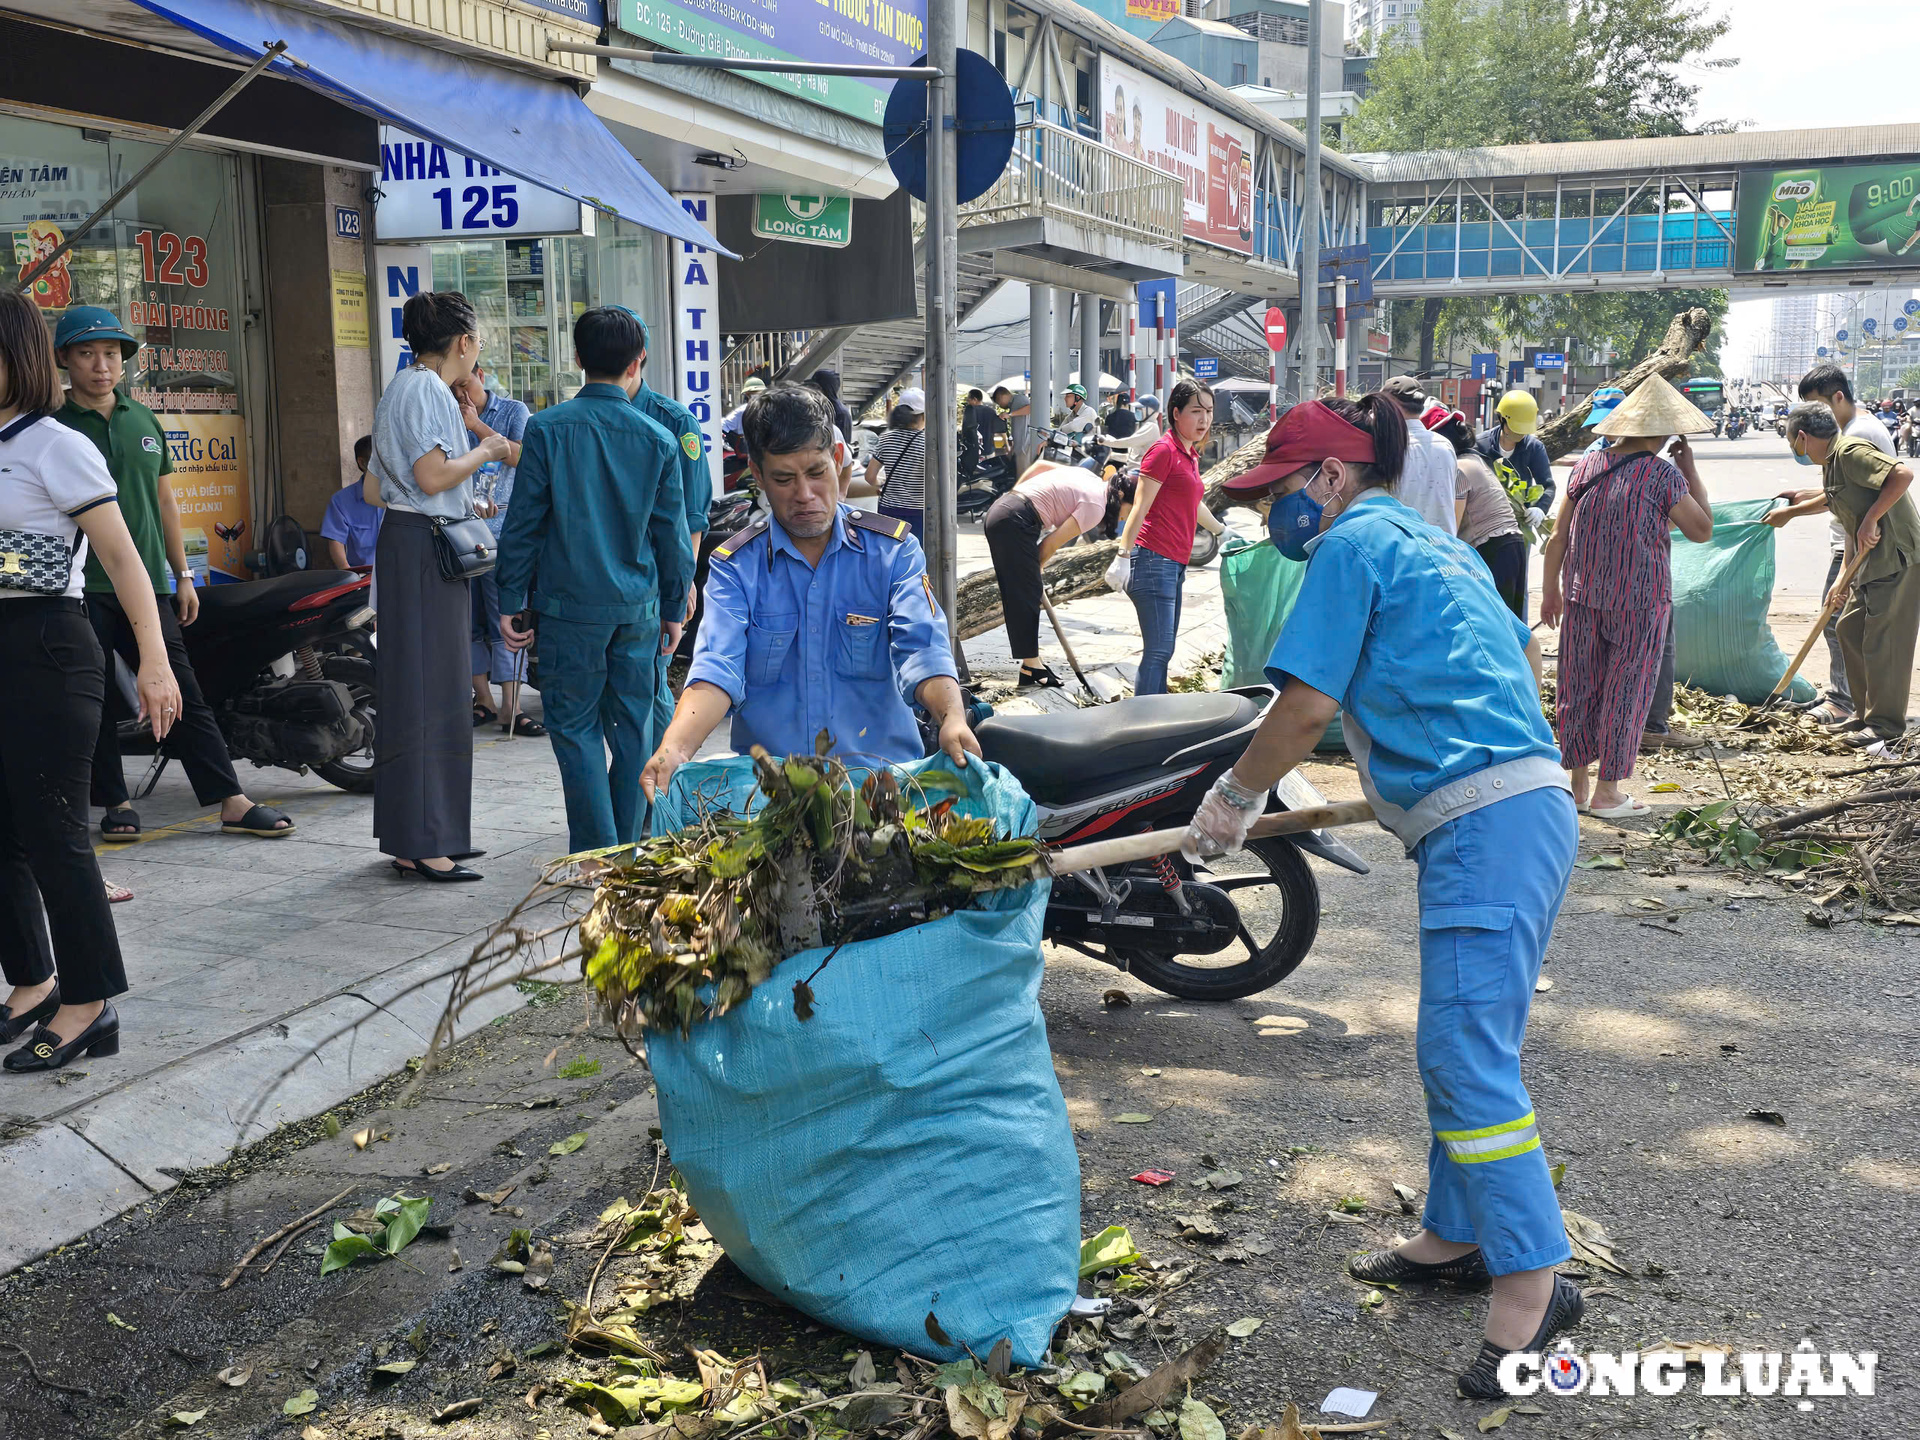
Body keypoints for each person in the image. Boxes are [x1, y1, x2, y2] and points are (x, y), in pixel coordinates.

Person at [1206, 392, 1580, 1400]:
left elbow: (1306, 708)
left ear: (1328, 478)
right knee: (1470, 1042)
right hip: (1521, 807)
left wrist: (1233, 799)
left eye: (1275, 493)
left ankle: (1533, 1286)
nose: (1266, 515)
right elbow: (1515, 654)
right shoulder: (1434, 541)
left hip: (1484, 823)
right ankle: (1456, 1235)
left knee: (1461, 1050)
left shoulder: (1350, 547)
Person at [0, 288, 183, 1071]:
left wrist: (154, 659)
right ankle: (33, 982)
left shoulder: (54, 443)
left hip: (49, 646)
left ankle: (89, 1003)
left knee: (54, 834)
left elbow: (119, 557)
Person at [641, 383, 978, 799]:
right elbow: (716, 670)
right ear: (759, 476)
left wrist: (951, 716)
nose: (804, 495)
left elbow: (922, 648)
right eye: (784, 479)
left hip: (882, 789)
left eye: (816, 473)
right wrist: (675, 748)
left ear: (837, 460)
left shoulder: (893, 552)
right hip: (773, 800)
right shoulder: (736, 566)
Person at [53, 307, 293, 844]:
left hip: (147, 585)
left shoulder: (144, 420)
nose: (101, 366)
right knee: (92, 699)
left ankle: (231, 799)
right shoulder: (54, 428)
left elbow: (165, 499)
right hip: (79, 587)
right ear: (65, 359)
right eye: (88, 354)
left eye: (112, 354)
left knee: (182, 689)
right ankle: (115, 801)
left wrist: (183, 573)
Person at [496, 308, 691, 853]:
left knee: (575, 729)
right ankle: (621, 848)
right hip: (638, 610)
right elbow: (671, 538)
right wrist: (674, 609)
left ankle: (596, 854)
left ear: (578, 360)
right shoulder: (658, 438)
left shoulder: (545, 429)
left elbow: (524, 523)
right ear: (637, 363)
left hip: (567, 611)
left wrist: (511, 599)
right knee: (636, 733)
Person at [367, 291, 508, 881]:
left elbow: (376, 490)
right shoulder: (426, 389)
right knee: (432, 692)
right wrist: (486, 449)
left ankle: (419, 835)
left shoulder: (400, 386)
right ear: (463, 342)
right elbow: (430, 475)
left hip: (408, 543)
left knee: (419, 690)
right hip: (426, 549)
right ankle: (428, 841)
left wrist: (452, 490)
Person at [1540, 376, 1715, 816]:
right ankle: (1607, 792)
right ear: (1661, 434)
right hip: (1640, 603)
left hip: (1581, 596)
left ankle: (1576, 786)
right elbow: (1702, 529)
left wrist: (1550, 592)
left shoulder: (1586, 465)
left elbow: (1558, 536)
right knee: (1627, 691)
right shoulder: (1662, 475)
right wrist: (1689, 468)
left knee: (1577, 687)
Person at [1781, 402, 1920, 752]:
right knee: (1849, 628)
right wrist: (1842, 580)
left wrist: (1874, 518)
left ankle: (1885, 726)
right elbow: (1847, 519)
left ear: (1802, 437)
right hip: (1867, 562)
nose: (1794, 450)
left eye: (1792, 443)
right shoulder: (1830, 465)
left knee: (1884, 642)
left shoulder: (1851, 451)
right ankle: (1864, 714)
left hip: (1898, 559)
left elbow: (1902, 475)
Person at [1766, 365, 1896, 727]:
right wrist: (1802, 497)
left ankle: (1847, 702)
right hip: (1852, 542)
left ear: (1838, 396)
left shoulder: (1858, 437)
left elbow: (1876, 485)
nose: (1818, 415)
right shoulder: (1849, 432)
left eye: (1819, 404)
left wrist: (1792, 514)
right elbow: (1840, 490)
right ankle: (1853, 699)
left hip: (1860, 546)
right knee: (1844, 624)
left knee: (1839, 622)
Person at [1112, 379, 1212, 695]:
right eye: (1196, 411)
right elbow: (1139, 507)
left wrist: (1222, 531)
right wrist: (1122, 556)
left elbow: (1193, 503)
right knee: (1157, 652)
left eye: (1209, 411)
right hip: (1153, 560)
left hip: (1175, 563)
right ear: (1175, 412)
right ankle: (1146, 725)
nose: (1204, 419)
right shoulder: (1163, 451)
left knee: (1164, 652)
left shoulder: (1188, 454)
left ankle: (1156, 718)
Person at [454, 358, 535, 734]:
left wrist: (476, 426)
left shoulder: (513, 411)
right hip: (458, 534)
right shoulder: (445, 414)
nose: (460, 395)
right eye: (453, 388)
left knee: (508, 616)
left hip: (503, 533)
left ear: (481, 377)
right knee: (469, 623)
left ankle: (512, 708)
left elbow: (522, 457)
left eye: (465, 385)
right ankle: (482, 699)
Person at [984, 462, 1108, 688]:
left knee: (1022, 592)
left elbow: (1040, 465)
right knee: (1025, 595)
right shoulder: (1096, 508)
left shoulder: (1089, 477)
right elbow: (1049, 545)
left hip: (1006, 508)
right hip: (1016, 520)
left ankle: (1031, 665)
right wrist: (1037, 566)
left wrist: (1014, 496)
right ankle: (1032, 666)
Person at [1426, 407, 1526, 617]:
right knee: (1510, 623)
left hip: (1494, 549)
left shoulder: (1460, 468)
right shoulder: (1477, 460)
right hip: (1513, 544)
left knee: (1496, 622)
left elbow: (1451, 527)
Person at [1381, 375, 1460, 533]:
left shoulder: (1389, 447)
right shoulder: (1445, 445)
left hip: (1407, 547)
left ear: (1392, 407)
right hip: (1445, 547)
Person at [865, 388, 928, 539]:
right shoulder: (927, 443)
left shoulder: (886, 438)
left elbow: (869, 477)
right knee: (915, 557)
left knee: (891, 555)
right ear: (923, 416)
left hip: (889, 512)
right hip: (918, 513)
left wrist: (881, 483)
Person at [322, 435, 384, 569]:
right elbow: (335, 541)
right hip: (362, 578)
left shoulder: (403, 496)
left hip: (399, 576)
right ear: (362, 463)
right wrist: (349, 575)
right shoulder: (342, 501)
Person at [810, 368, 853, 442]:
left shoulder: (840, 414)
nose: (813, 391)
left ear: (826, 389)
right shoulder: (819, 409)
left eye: (816, 387)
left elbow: (841, 444)